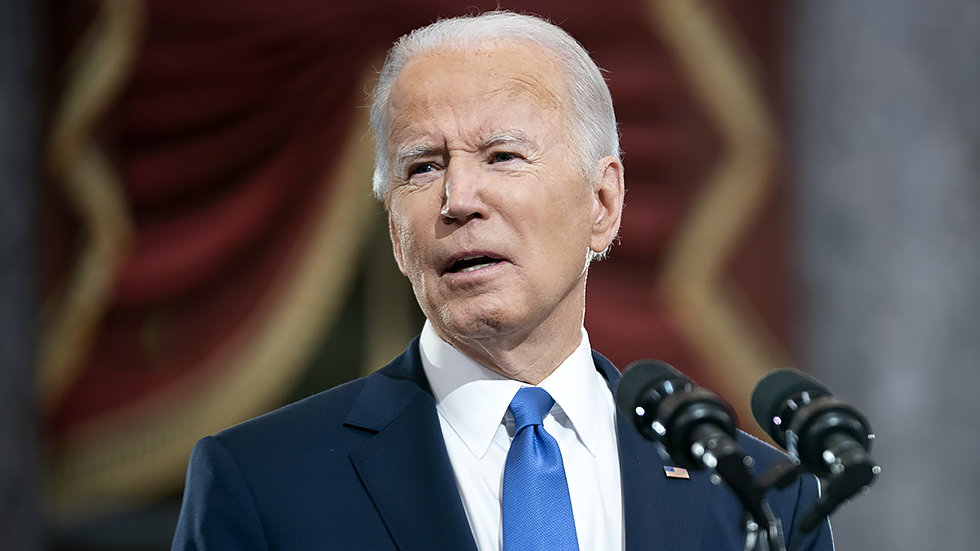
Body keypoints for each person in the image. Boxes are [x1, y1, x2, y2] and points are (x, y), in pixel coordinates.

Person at [172, 11, 833, 551]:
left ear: (602, 203)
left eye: (502, 156)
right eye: (423, 168)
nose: (458, 198)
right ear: (395, 229)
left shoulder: (759, 497)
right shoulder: (262, 483)